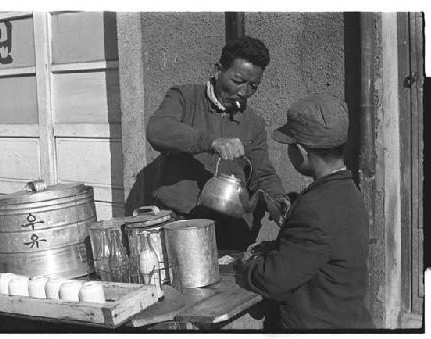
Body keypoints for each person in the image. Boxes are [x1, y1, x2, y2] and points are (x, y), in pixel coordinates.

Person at [242, 95, 374, 329]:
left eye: (289, 147)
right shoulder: (348, 190)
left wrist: (247, 265)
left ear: (301, 152)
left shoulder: (315, 207)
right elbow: (313, 252)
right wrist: (273, 249)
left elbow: (273, 281)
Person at [146, 36, 289, 251]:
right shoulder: (185, 98)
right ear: (218, 69)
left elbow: (263, 173)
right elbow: (157, 130)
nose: (243, 92)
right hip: (180, 222)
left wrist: (279, 202)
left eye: (253, 86)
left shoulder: (253, 123)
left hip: (230, 228)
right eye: (238, 81)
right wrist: (210, 141)